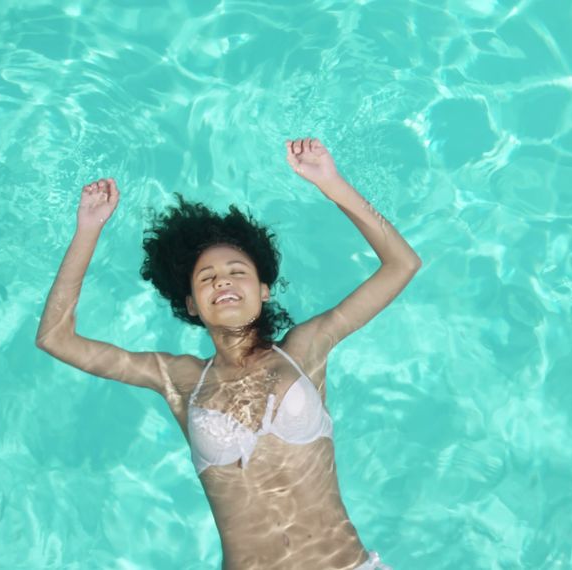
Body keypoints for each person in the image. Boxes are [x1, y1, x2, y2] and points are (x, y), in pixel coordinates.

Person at [35, 138, 420, 569]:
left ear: (263, 290)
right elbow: (56, 338)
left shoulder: (305, 350)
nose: (223, 282)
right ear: (192, 305)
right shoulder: (178, 379)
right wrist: (88, 230)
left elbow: (401, 264)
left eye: (238, 272)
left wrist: (332, 184)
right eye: (208, 278)